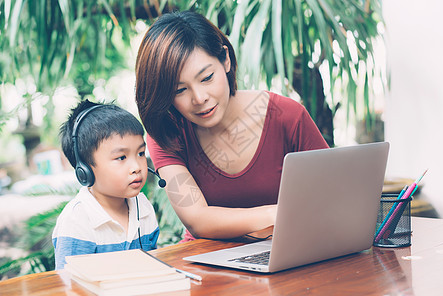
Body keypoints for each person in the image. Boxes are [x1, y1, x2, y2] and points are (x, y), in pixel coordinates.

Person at [135, 11, 328, 242]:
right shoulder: (166, 132)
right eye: (179, 90)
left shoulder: (287, 116)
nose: (199, 98)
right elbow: (198, 220)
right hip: (206, 263)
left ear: (225, 59)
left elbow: (330, 198)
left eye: (206, 78)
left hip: (285, 255)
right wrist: (278, 213)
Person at [52, 100, 159, 269]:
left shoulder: (143, 207)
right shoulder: (77, 221)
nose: (137, 167)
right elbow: (70, 286)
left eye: (140, 153)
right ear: (84, 170)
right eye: (121, 158)